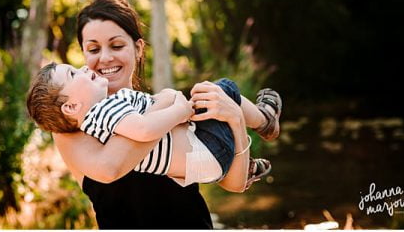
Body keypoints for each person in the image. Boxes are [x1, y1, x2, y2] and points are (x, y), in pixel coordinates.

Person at [39, 0, 280, 228]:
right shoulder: (70, 127)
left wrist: (236, 121)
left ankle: (265, 121)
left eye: (117, 45)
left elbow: (234, 183)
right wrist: (165, 106)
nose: (105, 57)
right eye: (93, 49)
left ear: (138, 48)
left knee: (222, 90)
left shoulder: (159, 105)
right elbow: (110, 168)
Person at [27, 62, 280, 190]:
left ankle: (252, 152)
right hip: (208, 151)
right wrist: (179, 109)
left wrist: (167, 101)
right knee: (222, 88)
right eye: (73, 74)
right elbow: (145, 129)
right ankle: (264, 120)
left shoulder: (98, 120)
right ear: (71, 108)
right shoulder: (102, 111)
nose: (84, 67)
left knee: (214, 96)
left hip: (206, 160)